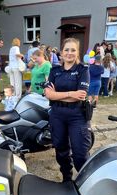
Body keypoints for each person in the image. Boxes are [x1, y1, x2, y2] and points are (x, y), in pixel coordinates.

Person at [44, 38, 91, 182]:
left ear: (78, 53)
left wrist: (57, 95)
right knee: (61, 150)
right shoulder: (54, 71)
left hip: (77, 116)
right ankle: (67, 179)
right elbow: (48, 94)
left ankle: (87, 181)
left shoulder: (83, 70)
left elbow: (80, 96)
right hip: (57, 115)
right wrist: (71, 93)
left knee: (80, 154)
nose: (69, 53)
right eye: (66, 50)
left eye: (73, 50)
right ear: (61, 53)